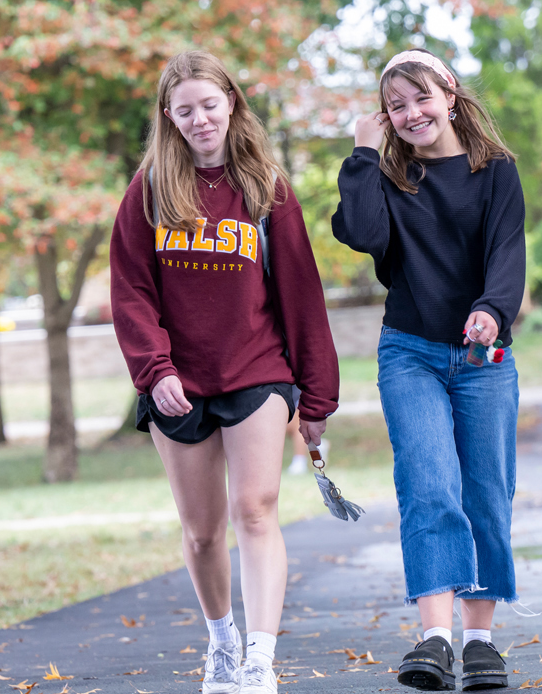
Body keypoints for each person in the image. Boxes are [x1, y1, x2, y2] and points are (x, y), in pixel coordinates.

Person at [110, 51, 340, 694]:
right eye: (185, 110)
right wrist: (154, 371)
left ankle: (260, 660)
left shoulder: (265, 185)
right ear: (169, 117)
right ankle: (222, 644)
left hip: (255, 370)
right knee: (203, 531)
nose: (200, 118)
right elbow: (130, 292)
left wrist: (316, 397)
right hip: (176, 381)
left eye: (209, 104)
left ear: (231, 102)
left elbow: (301, 292)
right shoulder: (151, 189)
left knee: (256, 509)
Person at [332, 50, 526, 692]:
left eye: (420, 98)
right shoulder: (388, 177)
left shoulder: (496, 172)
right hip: (409, 350)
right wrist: (362, 153)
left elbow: (506, 252)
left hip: (483, 356)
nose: (411, 113)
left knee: (486, 491)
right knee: (429, 485)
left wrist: (491, 311)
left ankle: (480, 642)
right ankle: (435, 637)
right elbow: (360, 233)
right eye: (395, 106)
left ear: (449, 93)